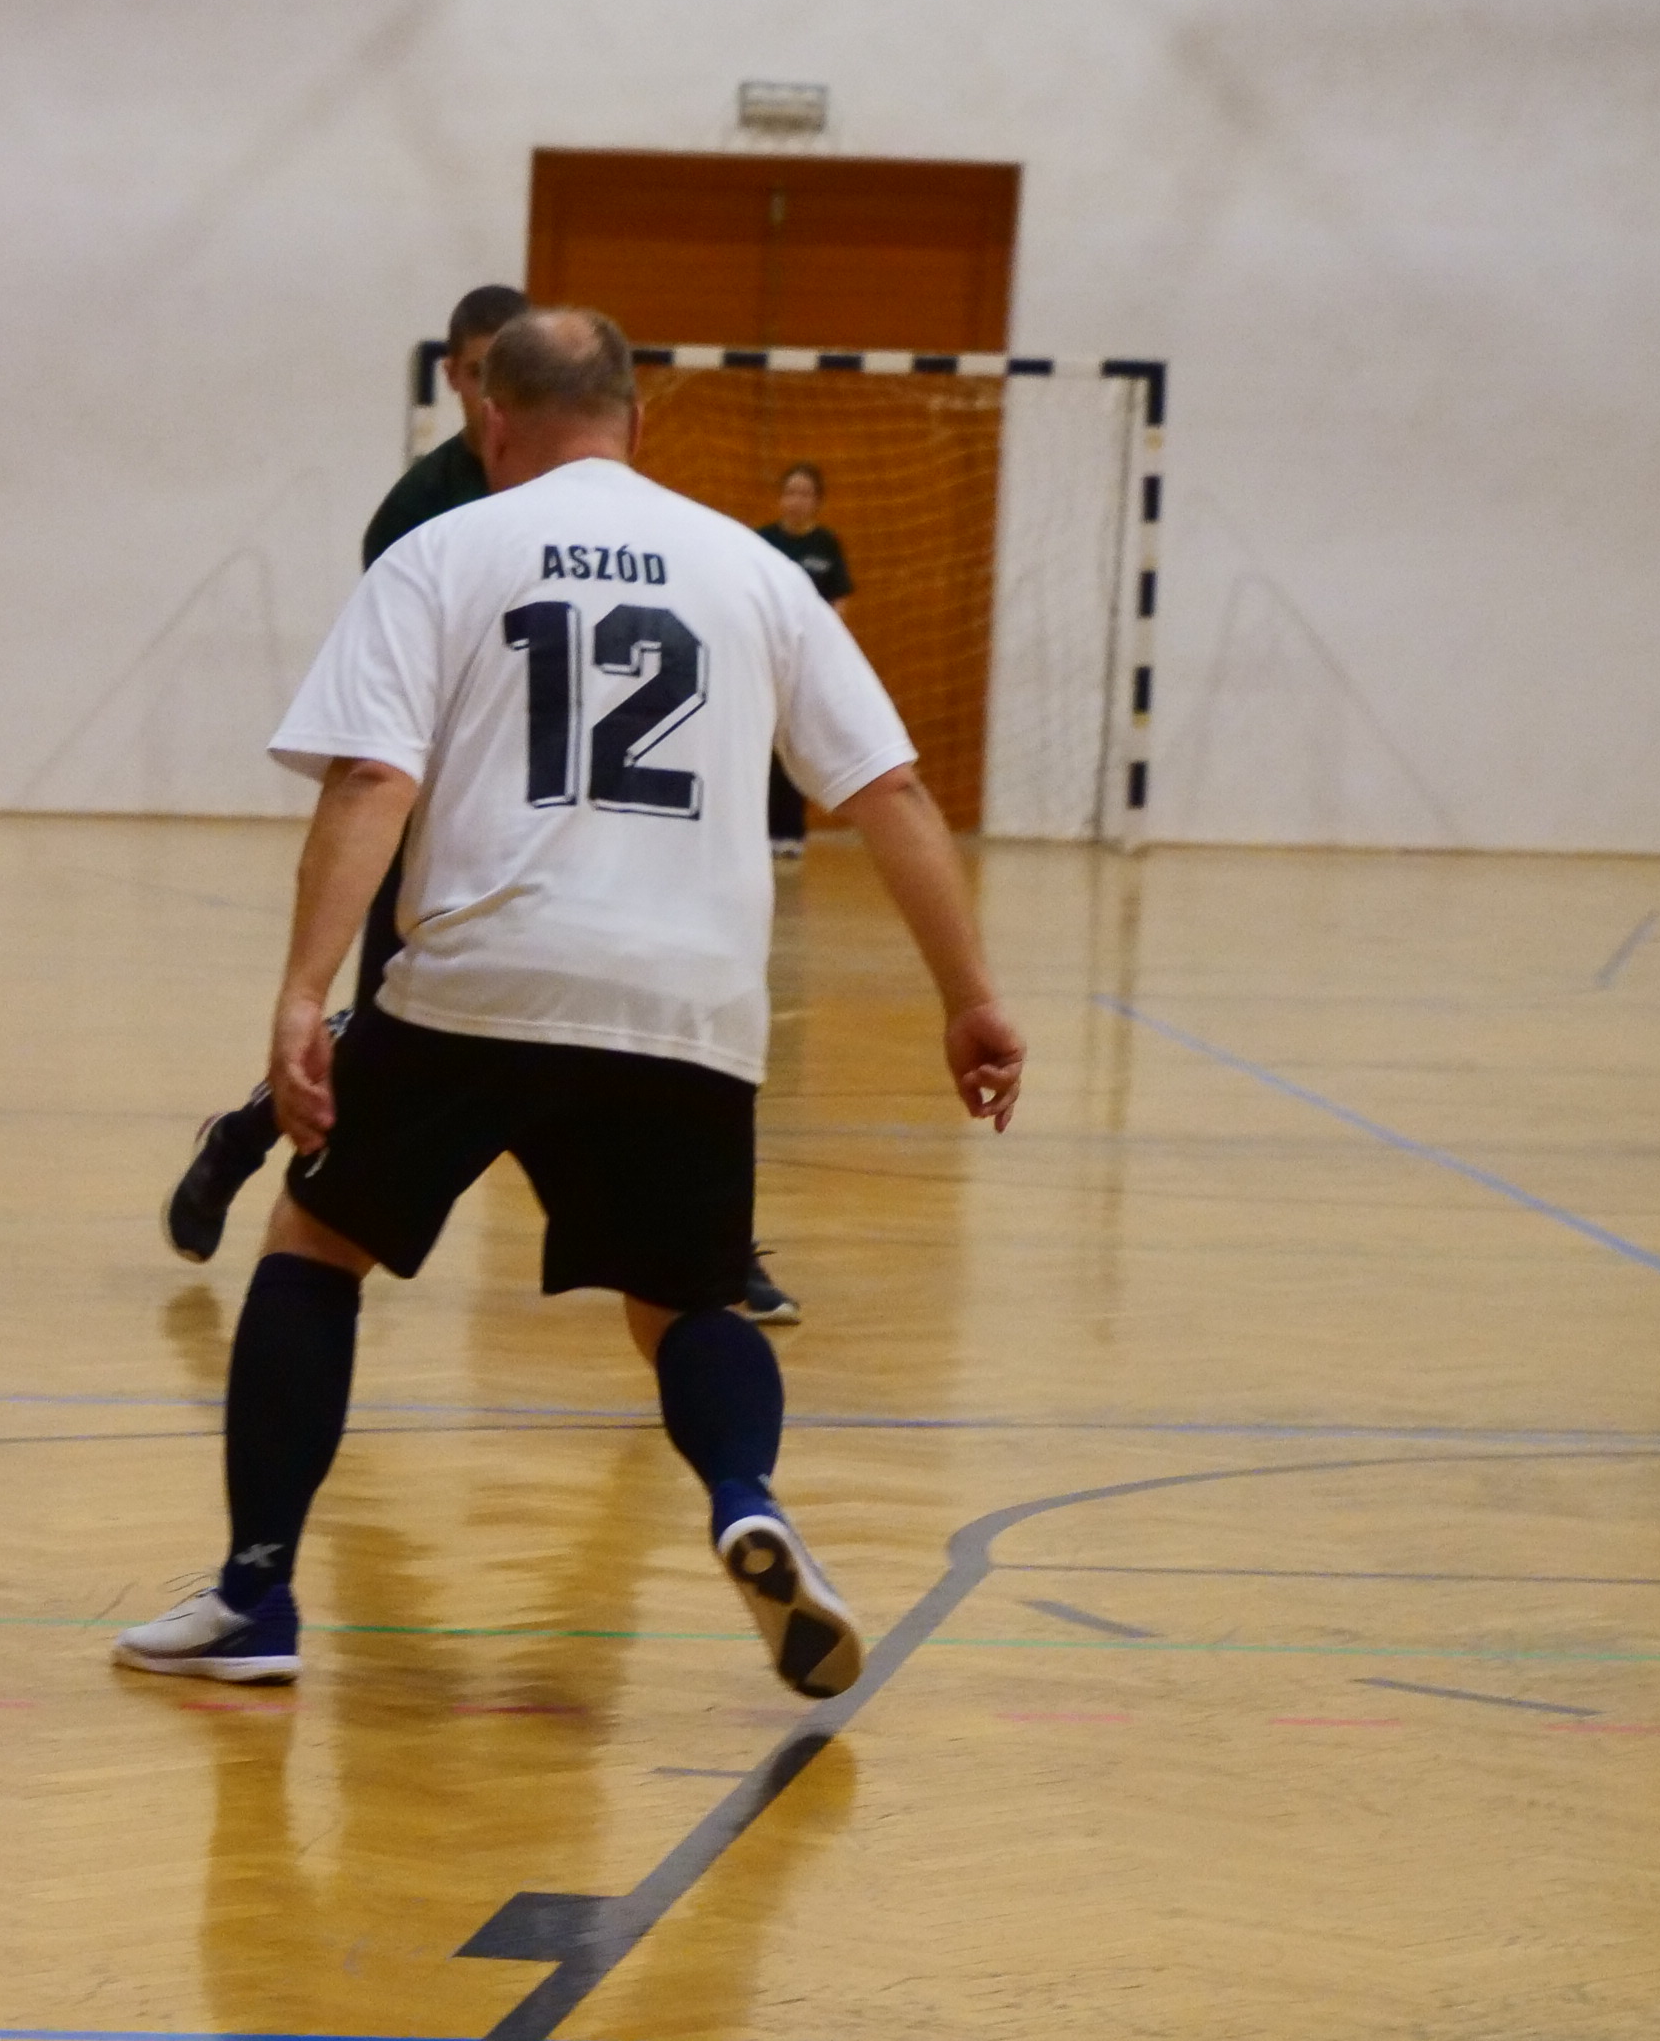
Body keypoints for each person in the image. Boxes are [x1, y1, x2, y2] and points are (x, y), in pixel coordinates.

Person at [111, 309, 1025, 1696]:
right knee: (689, 1304)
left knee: (315, 1244)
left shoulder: (443, 550)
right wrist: (970, 998)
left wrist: (303, 993)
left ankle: (257, 1597)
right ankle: (744, 1498)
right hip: (688, 1003)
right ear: (638, 422)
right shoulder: (751, 568)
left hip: (483, 979)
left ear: (490, 419)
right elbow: (887, 789)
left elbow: (373, 781)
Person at [160, 285, 802, 1325]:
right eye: (466, 368)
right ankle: (258, 1152)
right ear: (462, 381)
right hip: (444, 827)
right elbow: (393, 724)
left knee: (648, 1027)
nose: (478, 387)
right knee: (386, 1039)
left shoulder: (599, 501)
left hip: (579, 826)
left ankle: (712, 1253)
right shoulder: (425, 513)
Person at [751, 461, 856, 857]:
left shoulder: (826, 544)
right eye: (790, 492)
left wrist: (826, 645)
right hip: (767, 656)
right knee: (762, 744)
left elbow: (839, 598)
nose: (796, 501)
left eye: (805, 493)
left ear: (817, 501)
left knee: (795, 745)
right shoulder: (762, 540)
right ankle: (759, 831)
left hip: (806, 659)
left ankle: (790, 834)